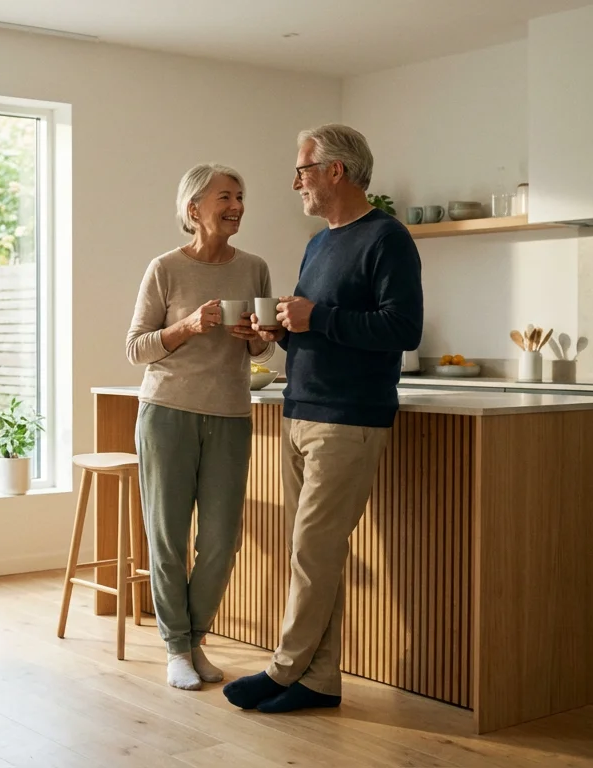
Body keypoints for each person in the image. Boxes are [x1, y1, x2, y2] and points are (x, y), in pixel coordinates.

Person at [222, 124, 423, 713]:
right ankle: (320, 680)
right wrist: (280, 331)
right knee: (314, 554)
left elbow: (401, 330)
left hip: (349, 418)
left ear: (335, 171)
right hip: (302, 409)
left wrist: (319, 317)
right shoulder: (318, 243)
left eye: (303, 170)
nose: (296, 182)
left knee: (313, 551)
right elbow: (319, 330)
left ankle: (284, 671)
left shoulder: (388, 238)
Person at [125, 163, 274, 691]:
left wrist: (257, 334)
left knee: (220, 541)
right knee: (168, 537)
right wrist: (189, 325)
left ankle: (196, 638)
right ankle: (177, 649)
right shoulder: (164, 268)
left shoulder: (254, 267)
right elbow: (135, 348)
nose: (235, 206)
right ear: (194, 210)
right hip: (167, 412)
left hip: (231, 414)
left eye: (240, 196)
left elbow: (264, 345)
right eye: (224, 198)